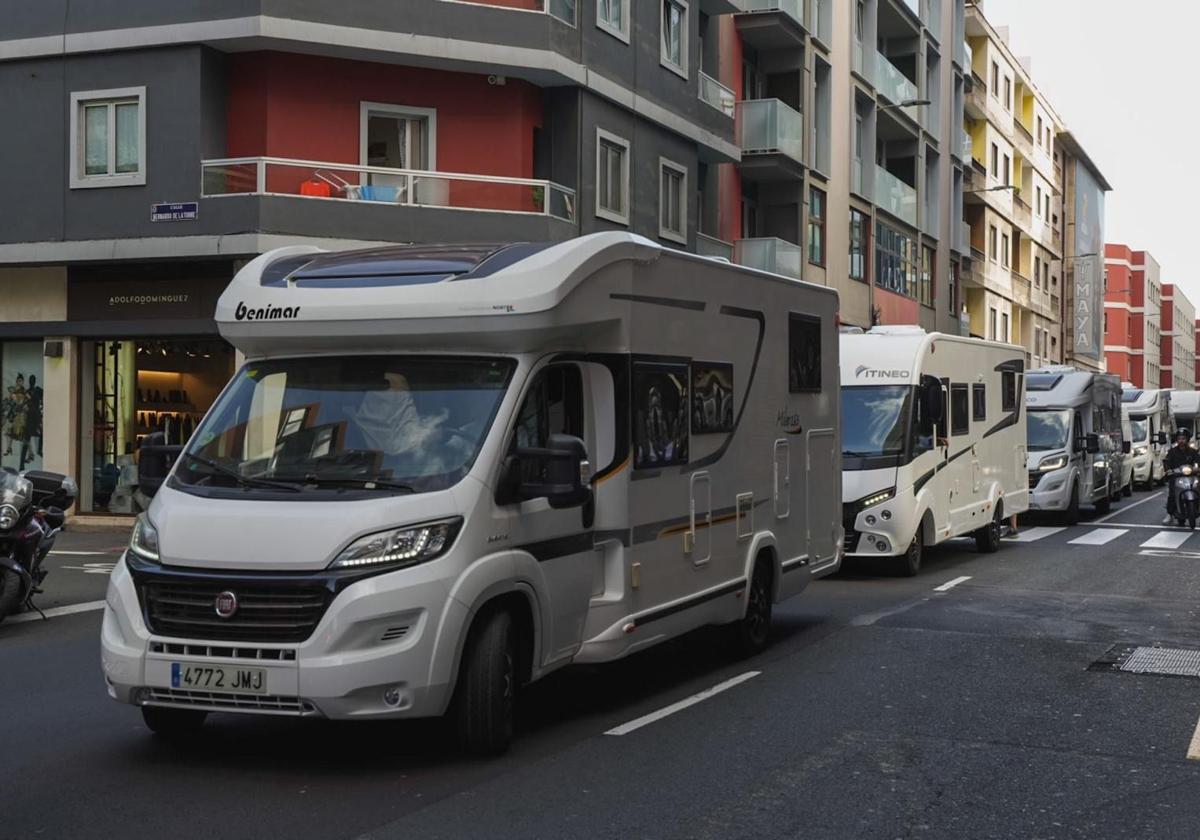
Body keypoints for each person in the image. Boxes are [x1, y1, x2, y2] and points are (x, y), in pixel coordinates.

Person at [1163, 427, 1200, 523]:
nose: (1181, 441)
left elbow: (1197, 461)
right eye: (1179, 439)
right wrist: (1168, 470)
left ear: (1187, 439)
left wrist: (1197, 468)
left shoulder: (1193, 451)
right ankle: (1169, 514)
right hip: (1177, 477)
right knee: (1172, 493)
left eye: (1183, 438)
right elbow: (1167, 462)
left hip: (1191, 476)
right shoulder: (1172, 452)